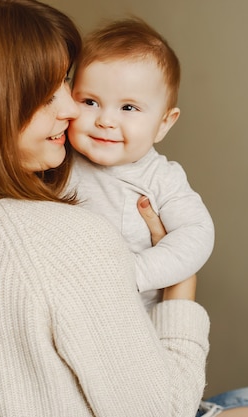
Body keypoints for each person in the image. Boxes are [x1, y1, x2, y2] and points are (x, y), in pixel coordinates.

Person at [0, 1, 248, 416]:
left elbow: (195, 232)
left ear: (166, 121)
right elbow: (164, 411)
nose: (72, 109)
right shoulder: (67, 235)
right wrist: (181, 289)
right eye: (51, 95)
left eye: (65, 84)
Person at [67, 18, 215, 312]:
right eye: (90, 102)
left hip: (129, 318)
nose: (105, 120)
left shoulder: (161, 178)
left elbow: (197, 233)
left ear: (163, 124)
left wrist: (136, 272)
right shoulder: (58, 157)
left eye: (128, 108)